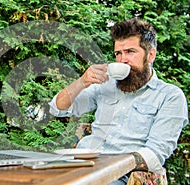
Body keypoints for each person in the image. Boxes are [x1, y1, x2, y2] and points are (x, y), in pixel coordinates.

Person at [49, 18, 188, 185]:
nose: (122, 60)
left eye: (130, 52)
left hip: (121, 177)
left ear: (150, 55)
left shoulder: (170, 96)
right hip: (79, 166)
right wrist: (83, 81)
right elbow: (58, 108)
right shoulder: (105, 85)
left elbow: (155, 153)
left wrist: (109, 167)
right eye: (118, 53)